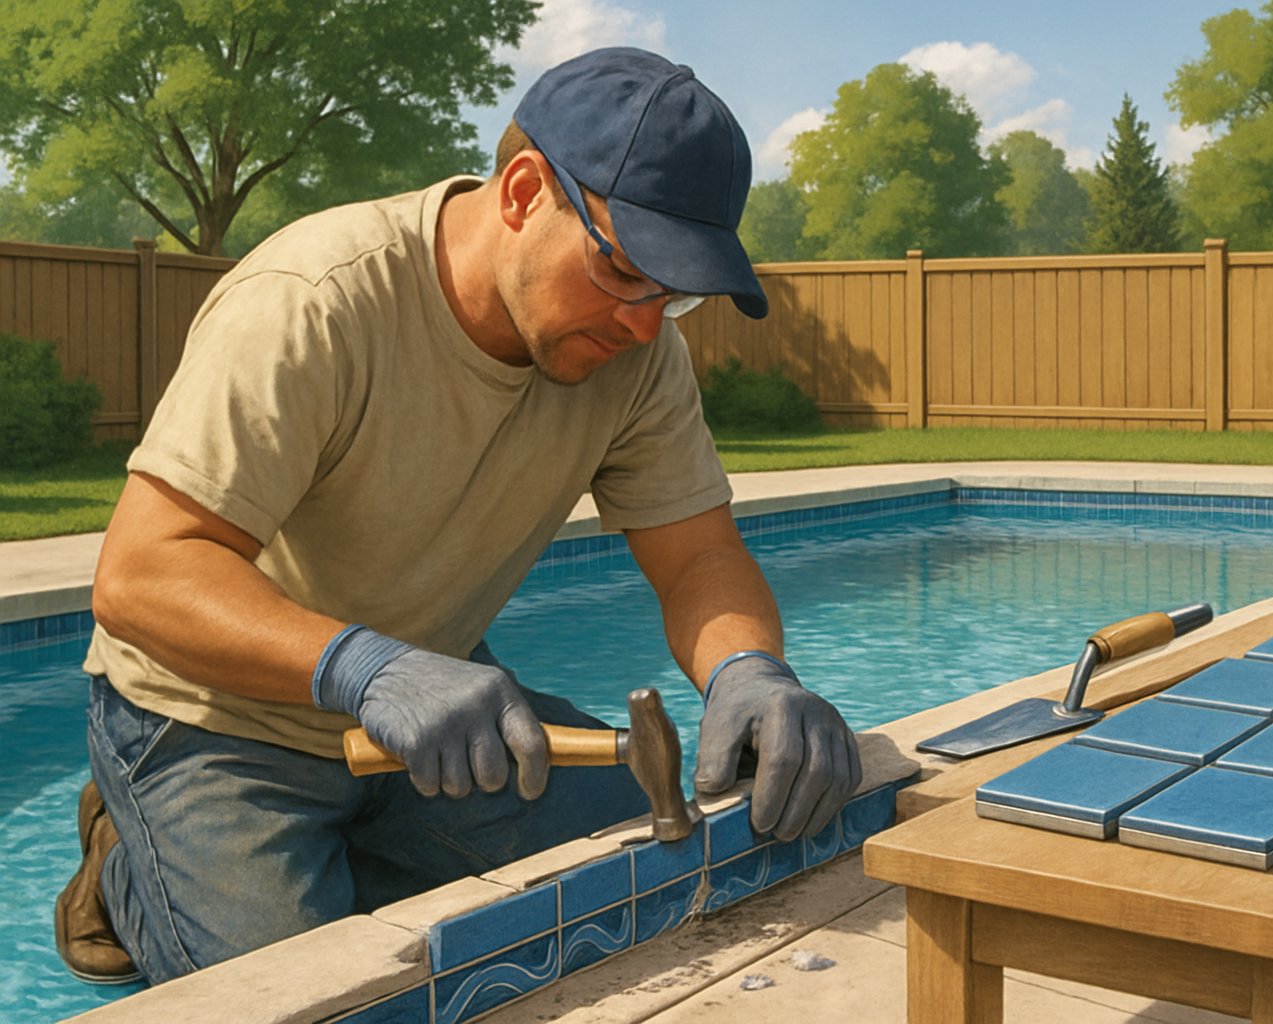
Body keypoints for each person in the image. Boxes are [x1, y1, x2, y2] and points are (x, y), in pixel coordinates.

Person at [54, 46, 862, 986]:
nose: (646, 323)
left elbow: (697, 559)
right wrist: (366, 669)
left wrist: (751, 672)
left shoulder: (638, 354)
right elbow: (142, 574)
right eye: (627, 271)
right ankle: (128, 865)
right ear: (523, 193)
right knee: (308, 1001)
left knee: (655, 871)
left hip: (440, 719)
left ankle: (362, 855)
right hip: (214, 720)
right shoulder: (312, 303)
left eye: (675, 292)